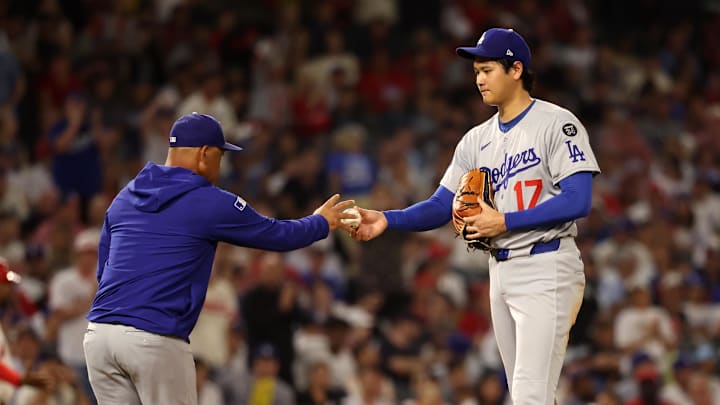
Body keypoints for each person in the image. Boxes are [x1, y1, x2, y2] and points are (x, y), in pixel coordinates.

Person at [352, 28, 600, 404]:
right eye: (477, 72)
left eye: (487, 70)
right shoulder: (475, 139)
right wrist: (390, 219)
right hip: (499, 270)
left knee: (530, 393)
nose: (479, 79)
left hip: (546, 263)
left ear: (516, 70)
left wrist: (504, 222)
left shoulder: (556, 123)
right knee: (526, 394)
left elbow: (578, 200)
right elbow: (440, 205)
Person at [83, 113, 355, 405]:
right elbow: (278, 235)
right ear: (204, 152)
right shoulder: (209, 200)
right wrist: (321, 222)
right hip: (153, 338)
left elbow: (104, 271)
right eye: (219, 154)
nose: (220, 164)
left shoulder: (125, 196)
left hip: (100, 337)